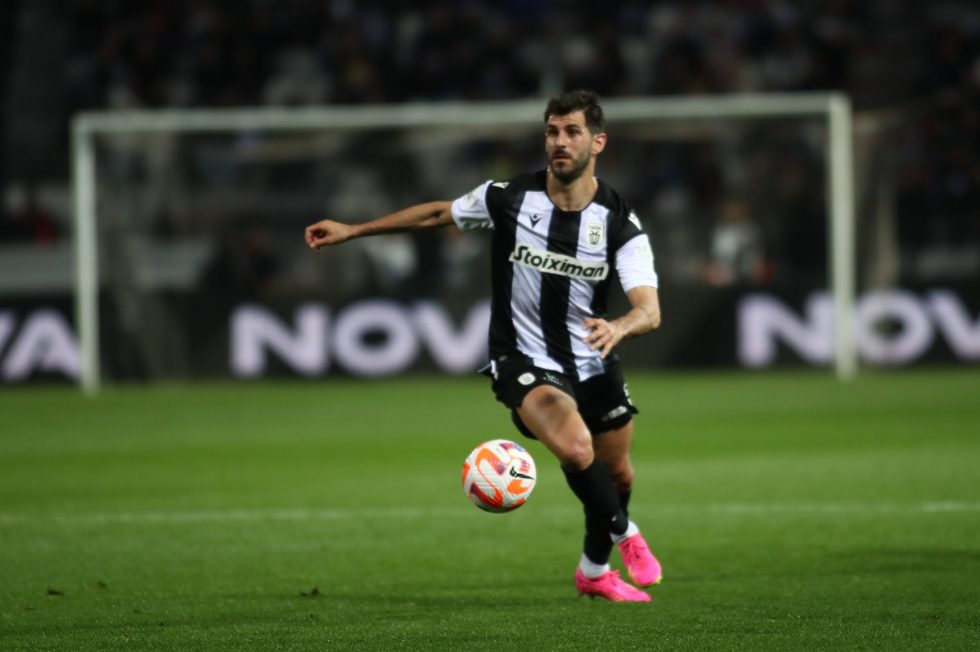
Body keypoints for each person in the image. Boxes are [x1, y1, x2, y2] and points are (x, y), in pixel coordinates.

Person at [305, 89, 663, 603]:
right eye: (552, 131)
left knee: (617, 473)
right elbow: (437, 215)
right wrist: (355, 230)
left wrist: (622, 326)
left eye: (572, 132)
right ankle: (627, 534)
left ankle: (594, 570)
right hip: (522, 357)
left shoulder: (618, 222)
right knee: (575, 447)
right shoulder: (508, 197)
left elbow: (649, 310)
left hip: (592, 356)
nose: (559, 142)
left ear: (597, 143)